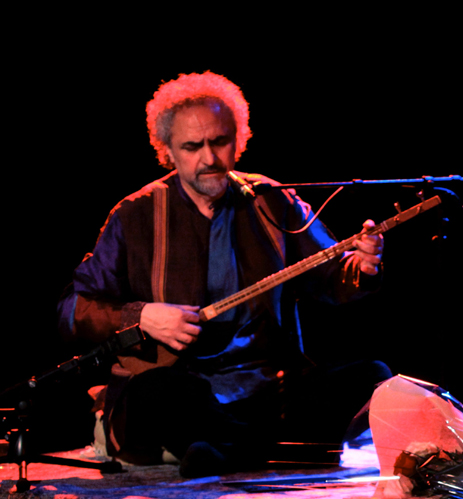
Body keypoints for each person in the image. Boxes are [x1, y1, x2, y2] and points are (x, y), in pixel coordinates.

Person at [57, 72, 391, 477]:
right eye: (192, 147)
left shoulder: (270, 199)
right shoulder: (136, 214)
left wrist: (362, 266)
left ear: (239, 138)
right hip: (186, 390)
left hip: (265, 387)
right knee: (155, 392)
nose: (209, 159)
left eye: (219, 142)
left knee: (369, 375)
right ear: (168, 152)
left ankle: (229, 453)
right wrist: (141, 316)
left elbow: (329, 278)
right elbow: (73, 308)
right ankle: (271, 449)